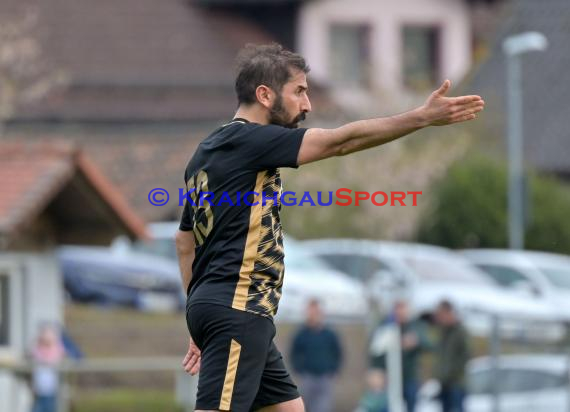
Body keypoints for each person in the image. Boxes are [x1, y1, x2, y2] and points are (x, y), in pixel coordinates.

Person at [175, 42, 484, 412]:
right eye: (299, 92)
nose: (307, 105)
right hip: (238, 309)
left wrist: (199, 318)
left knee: (290, 409)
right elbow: (341, 142)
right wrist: (420, 117)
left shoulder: (205, 152)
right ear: (264, 94)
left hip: (219, 305)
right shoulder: (252, 141)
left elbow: (183, 241)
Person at [370, 300, 431, 412]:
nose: (401, 313)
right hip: (389, 376)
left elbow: (428, 344)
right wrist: (377, 371)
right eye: (398, 309)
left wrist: (416, 341)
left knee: (411, 403)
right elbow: (375, 350)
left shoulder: (415, 326)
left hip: (409, 375)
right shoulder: (385, 326)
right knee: (386, 405)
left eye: (403, 309)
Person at [290, 300, 342, 412]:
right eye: (311, 312)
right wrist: (299, 370)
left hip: (325, 378)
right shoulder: (301, 334)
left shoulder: (329, 334)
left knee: (323, 407)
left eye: (316, 312)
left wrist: (334, 369)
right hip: (307, 377)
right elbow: (294, 353)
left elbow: (338, 353)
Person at [433, 300, 470, 412]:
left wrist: (452, 374)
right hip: (444, 383)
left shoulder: (460, 331)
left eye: (441, 314)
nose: (439, 318)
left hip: (456, 384)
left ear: (449, 313)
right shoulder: (444, 332)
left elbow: (466, 356)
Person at [30, 324, 66, 412]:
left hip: (51, 387)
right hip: (39, 386)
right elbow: (34, 353)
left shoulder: (56, 349)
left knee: (50, 407)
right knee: (38, 407)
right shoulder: (38, 349)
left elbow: (59, 354)